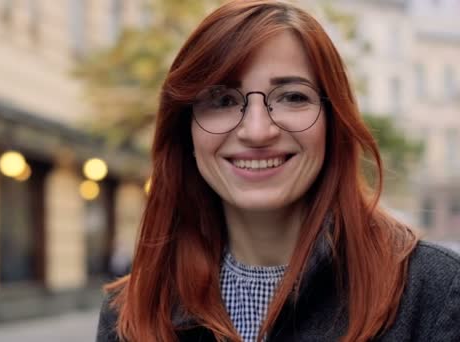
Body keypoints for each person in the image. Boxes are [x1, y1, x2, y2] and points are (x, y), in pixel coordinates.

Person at [96, 1, 460, 341]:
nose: (257, 131)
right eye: (223, 100)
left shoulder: (435, 295)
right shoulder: (131, 313)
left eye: (292, 97)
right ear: (185, 130)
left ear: (333, 123)